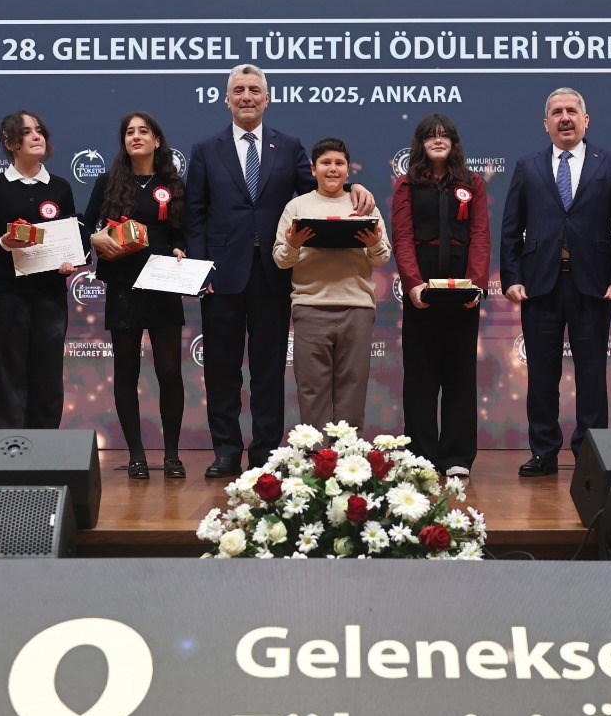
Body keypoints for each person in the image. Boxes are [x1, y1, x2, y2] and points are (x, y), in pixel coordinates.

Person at [186, 64, 375, 477]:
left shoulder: (287, 146)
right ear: (227, 99)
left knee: (268, 368)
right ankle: (226, 450)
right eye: (239, 90)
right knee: (222, 369)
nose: (247, 96)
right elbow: (195, 215)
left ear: (267, 99)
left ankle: (266, 451)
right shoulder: (205, 149)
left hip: (274, 273)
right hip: (221, 275)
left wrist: (355, 189)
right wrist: (201, 272)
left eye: (255, 90)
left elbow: (320, 190)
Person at [500, 87, 611, 476]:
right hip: (539, 285)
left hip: (593, 285)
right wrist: (511, 277)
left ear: (585, 120)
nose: (565, 118)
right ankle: (544, 451)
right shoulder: (527, 166)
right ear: (545, 123)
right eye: (557, 112)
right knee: (542, 375)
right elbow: (511, 227)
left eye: (572, 111)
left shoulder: (610, 163)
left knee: (592, 374)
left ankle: (590, 455)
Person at [83, 111, 188, 479]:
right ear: (124, 141)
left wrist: (181, 248)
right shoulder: (108, 181)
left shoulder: (172, 183)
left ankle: (172, 455)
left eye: (144, 131)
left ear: (157, 141)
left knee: (169, 371)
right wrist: (96, 237)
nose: (136, 137)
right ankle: (137, 455)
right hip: (123, 284)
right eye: (130, 132)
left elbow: (181, 231)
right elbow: (87, 227)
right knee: (126, 372)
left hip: (163, 283)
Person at [391, 114, 489, 476]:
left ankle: (457, 457)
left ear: (453, 142)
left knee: (460, 374)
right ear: (420, 143)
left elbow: (480, 235)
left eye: (444, 135)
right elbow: (402, 236)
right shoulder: (406, 184)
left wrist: (476, 283)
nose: (438, 140)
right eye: (430, 136)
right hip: (422, 290)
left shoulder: (472, 183)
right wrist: (413, 283)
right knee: (420, 376)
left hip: (463, 290)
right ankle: (421, 456)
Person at [274, 138, 391, 429]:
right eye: (326, 163)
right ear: (313, 169)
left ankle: (348, 454)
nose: (333, 169)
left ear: (348, 170)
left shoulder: (364, 204)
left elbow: (382, 258)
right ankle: (316, 452)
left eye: (339, 163)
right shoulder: (296, 206)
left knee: (353, 388)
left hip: (357, 308)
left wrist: (373, 243)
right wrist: (293, 244)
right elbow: (280, 260)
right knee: (312, 389)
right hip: (310, 307)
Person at [0, 110, 77, 430]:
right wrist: (4, 242)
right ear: (10, 143)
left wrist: (69, 261)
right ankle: (7, 447)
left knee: (48, 373)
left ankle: (44, 445)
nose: (37, 136)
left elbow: (72, 238)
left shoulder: (60, 187)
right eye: (27, 131)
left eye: (39, 130)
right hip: (6, 294)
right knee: (6, 372)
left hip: (50, 297)